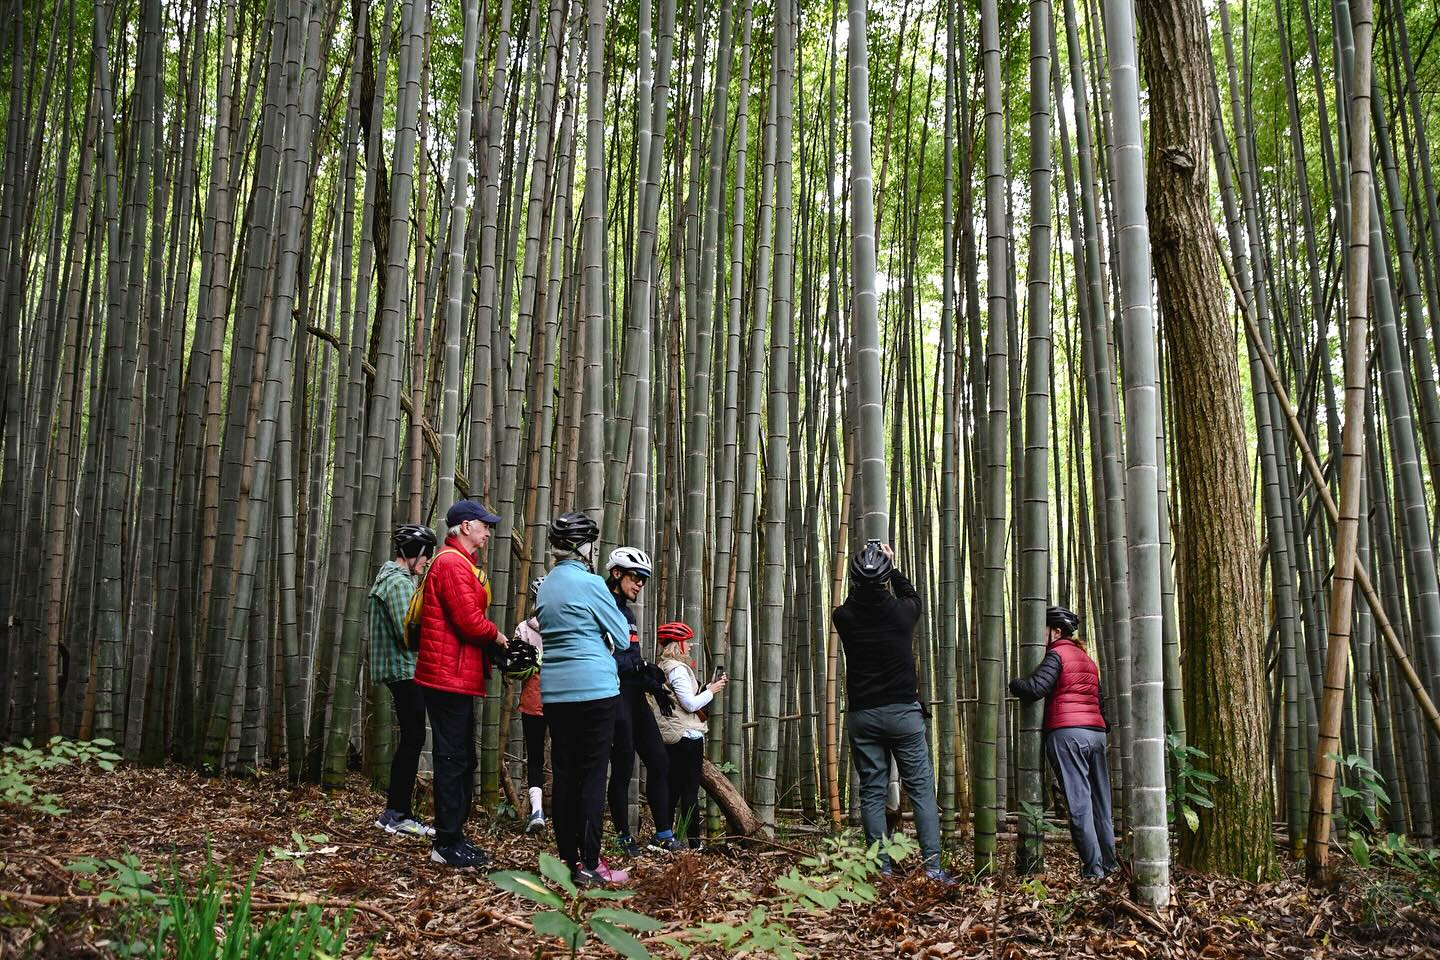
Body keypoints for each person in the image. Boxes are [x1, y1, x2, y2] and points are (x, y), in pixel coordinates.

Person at [832, 541, 953, 883]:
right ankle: (932, 868)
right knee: (921, 792)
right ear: (885, 579)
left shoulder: (844, 617)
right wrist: (891, 563)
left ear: (855, 582)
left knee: (872, 791)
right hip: (903, 715)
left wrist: (867, 574)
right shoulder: (904, 613)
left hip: (864, 716)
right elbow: (911, 594)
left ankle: (880, 868)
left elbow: (853, 602)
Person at [535, 512, 633, 887]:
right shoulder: (592, 583)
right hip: (595, 689)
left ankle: (565, 862)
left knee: (563, 774)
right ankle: (590, 865)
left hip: (556, 692)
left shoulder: (545, 586)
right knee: (592, 776)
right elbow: (623, 637)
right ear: (584, 547)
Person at [413, 499, 506, 869]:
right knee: (452, 759)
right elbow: (469, 621)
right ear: (465, 527)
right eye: (484, 525)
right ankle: (446, 841)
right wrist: (498, 637)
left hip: (454, 673)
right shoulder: (452, 563)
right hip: (446, 675)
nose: (488, 532)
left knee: (460, 757)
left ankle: (454, 835)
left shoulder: (459, 563)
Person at [1009, 605, 1118, 880]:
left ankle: (1093, 871)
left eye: (1043, 629)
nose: (1040, 634)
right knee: (1101, 804)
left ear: (1056, 631)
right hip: (1096, 734)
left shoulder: (1056, 654)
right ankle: (1110, 864)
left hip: (1067, 733)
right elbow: (1100, 702)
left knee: (1079, 805)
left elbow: (1035, 689)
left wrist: (1013, 683)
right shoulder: (1088, 660)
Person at [603, 546, 680, 856]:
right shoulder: (603, 605)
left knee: (659, 761)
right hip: (613, 694)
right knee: (622, 767)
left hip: (634, 695)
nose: (640, 585)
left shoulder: (627, 610)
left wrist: (653, 684)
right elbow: (606, 658)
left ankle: (663, 834)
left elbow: (631, 657)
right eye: (636, 578)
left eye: (644, 580)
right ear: (617, 573)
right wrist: (638, 667)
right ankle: (623, 837)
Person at [369, 523, 438, 838]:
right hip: (405, 670)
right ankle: (396, 813)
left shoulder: (394, 579)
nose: (426, 562)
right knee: (413, 739)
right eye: (425, 556)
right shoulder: (397, 583)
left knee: (412, 738)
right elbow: (409, 632)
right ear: (415, 553)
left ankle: (397, 812)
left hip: (403, 670)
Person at [651, 621, 727, 850]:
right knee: (689, 792)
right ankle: (694, 843)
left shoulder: (664, 666)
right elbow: (690, 704)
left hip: (675, 735)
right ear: (678, 645)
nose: (691, 647)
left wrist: (706, 689)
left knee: (673, 787)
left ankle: (666, 836)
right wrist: (711, 691)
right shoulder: (677, 669)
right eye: (687, 643)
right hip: (687, 737)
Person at [516, 577, 548, 834]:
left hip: (532, 696)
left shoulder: (522, 629)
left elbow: (514, 666)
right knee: (565, 757)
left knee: (535, 756)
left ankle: (537, 812)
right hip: (562, 697)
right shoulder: (566, 628)